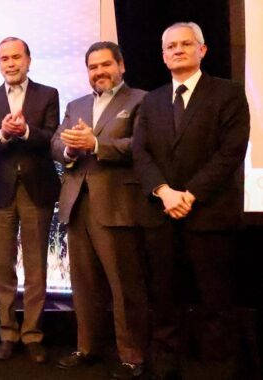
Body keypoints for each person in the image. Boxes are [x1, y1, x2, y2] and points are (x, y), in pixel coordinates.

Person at [133, 22, 250, 379]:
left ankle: (217, 367)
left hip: (210, 215)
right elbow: (141, 152)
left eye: (186, 44)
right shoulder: (151, 100)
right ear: (164, 55)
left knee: (215, 299)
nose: (178, 50)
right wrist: (164, 192)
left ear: (203, 50)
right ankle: (166, 366)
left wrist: (191, 194)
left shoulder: (228, 93)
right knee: (164, 299)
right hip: (161, 213)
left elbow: (230, 153)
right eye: (171, 46)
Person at [51, 41, 147, 379]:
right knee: (84, 284)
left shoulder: (140, 100)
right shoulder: (76, 104)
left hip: (118, 206)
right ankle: (87, 347)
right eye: (93, 67)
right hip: (78, 204)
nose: (99, 72)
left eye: (105, 65)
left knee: (124, 286)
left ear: (121, 65)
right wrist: (70, 150)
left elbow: (142, 146)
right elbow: (56, 144)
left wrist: (95, 144)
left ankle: (131, 356)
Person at [0, 37, 60, 363]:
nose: (10, 64)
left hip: (37, 189)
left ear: (28, 60)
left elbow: (52, 137)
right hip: (1, 190)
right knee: (2, 266)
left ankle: (33, 335)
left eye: (16, 57)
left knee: (36, 267)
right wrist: (2, 134)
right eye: (4, 59)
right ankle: (8, 333)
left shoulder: (48, 94)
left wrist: (25, 131)